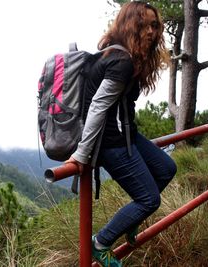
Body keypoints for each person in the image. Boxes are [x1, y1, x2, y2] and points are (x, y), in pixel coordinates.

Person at [66, 1, 177, 266]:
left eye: (154, 25)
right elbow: (97, 107)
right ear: (130, 24)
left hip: (126, 134)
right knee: (149, 199)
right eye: (144, 25)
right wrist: (82, 155)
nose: (151, 31)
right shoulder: (121, 60)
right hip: (111, 142)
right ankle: (101, 242)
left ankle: (131, 219)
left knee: (166, 168)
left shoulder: (118, 54)